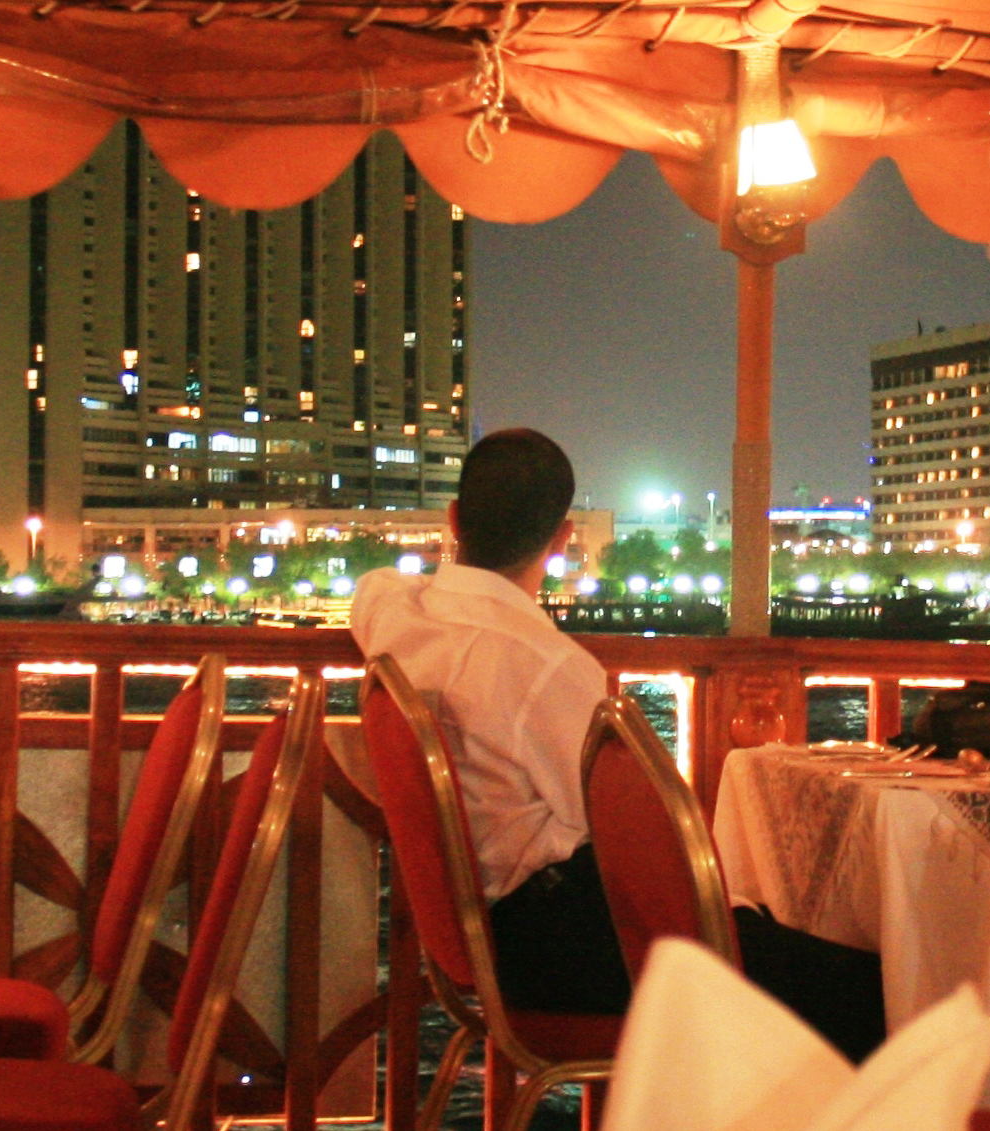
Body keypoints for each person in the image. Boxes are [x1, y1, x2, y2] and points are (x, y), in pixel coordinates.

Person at [350, 429, 885, 1060]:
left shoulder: (393, 614)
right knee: (874, 993)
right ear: (561, 538)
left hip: (481, 935)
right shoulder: (545, 665)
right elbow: (627, 832)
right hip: (561, 944)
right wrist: (734, 913)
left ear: (454, 519)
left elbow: (378, 584)